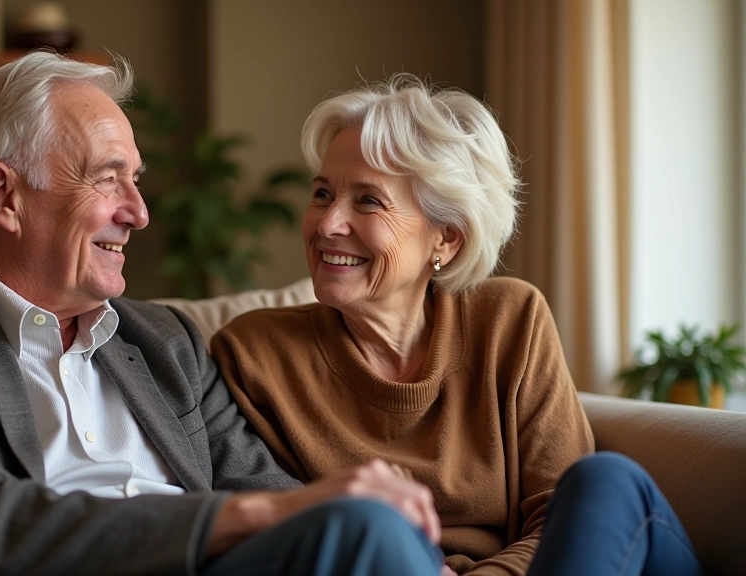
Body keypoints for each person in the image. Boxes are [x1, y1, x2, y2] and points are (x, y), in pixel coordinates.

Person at [0, 52, 454, 576]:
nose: (139, 212)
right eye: (107, 179)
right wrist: (262, 519)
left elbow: (265, 487)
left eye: (137, 180)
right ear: (3, 196)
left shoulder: (162, 340)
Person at [211, 74, 704, 576]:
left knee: (608, 482)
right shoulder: (253, 355)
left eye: (367, 200)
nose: (326, 223)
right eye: (321, 193)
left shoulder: (511, 320)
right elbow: (292, 537)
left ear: (446, 239)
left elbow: (557, 517)